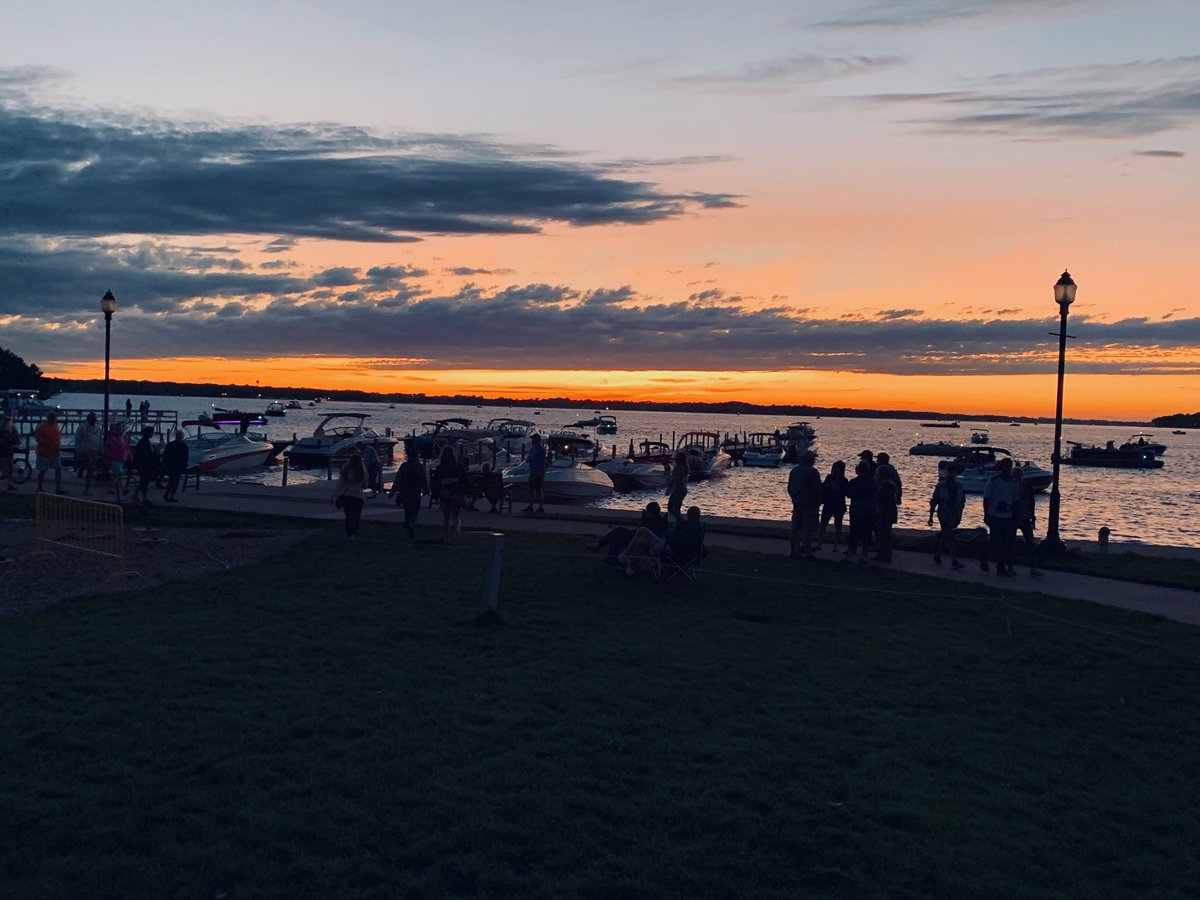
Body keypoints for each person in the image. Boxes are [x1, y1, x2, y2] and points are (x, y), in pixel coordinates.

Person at [619, 505, 705, 578]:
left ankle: (624, 556)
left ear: (689, 516)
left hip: (668, 548)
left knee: (642, 530)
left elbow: (677, 540)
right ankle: (629, 570)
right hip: (675, 549)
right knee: (642, 539)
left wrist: (671, 535)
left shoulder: (689, 528)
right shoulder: (698, 529)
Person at [593, 501, 668, 565]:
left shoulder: (654, 522)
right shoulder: (657, 520)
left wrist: (644, 519)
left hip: (639, 541)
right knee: (618, 534)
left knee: (619, 531)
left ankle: (600, 546)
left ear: (650, 513)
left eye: (647, 511)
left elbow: (644, 531)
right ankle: (609, 557)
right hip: (637, 537)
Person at [982, 457, 1020, 576]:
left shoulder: (1014, 483)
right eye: (1005, 466)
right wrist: (986, 514)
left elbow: (1016, 501)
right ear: (1001, 467)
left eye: (1009, 467)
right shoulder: (993, 482)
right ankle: (985, 558)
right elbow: (986, 499)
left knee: (1007, 543)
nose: (1008, 469)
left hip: (1008, 517)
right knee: (995, 541)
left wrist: (1016, 516)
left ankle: (1001, 566)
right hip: (995, 516)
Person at [928, 465, 967, 568]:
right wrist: (931, 517)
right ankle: (954, 560)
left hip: (955, 514)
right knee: (949, 536)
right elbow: (934, 502)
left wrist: (960, 515)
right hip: (944, 514)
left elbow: (962, 502)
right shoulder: (940, 486)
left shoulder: (959, 486)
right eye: (949, 472)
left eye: (953, 472)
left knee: (946, 535)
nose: (951, 474)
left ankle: (938, 554)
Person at [786, 449, 822, 557]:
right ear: (810, 460)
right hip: (809, 504)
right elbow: (817, 489)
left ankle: (793, 550)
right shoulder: (813, 472)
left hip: (797, 503)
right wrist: (818, 502)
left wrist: (793, 498)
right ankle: (807, 552)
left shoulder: (794, 471)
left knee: (795, 528)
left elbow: (789, 487)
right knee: (807, 529)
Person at [843, 460, 878, 564]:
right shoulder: (872, 482)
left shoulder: (854, 482)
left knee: (854, 533)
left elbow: (848, 494)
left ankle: (850, 556)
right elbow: (876, 494)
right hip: (869, 509)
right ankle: (864, 556)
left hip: (857, 509)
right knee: (867, 533)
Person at [431, 445, 469, 541]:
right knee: (455, 516)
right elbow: (465, 480)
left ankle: (446, 536)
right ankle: (457, 533)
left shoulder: (440, 468)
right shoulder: (459, 466)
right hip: (457, 493)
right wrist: (466, 492)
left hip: (445, 493)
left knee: (446, 517)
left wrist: (435, 495)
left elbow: (436, 482)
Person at [391, 445, 428, 538]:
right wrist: (426, 489)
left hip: (404, 491)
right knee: (414, 511)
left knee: (407, 511)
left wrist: (393, 491)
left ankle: (409, 524)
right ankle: (411, 524)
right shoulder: (420, 467)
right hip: (415, 492)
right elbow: (424, 479)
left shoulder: (404, 466)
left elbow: (398, 479)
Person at [1012, 467, 1042, 577]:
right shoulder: (1012, 486)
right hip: (1015, 517)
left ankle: (1033, 567)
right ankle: (1011, 566)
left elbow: (1031, 502)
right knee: (1014, 543)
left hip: (1024, 517)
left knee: (1030, 543)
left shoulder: (1026, 487)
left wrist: (1032, 516)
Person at [332, 450, 367, 539]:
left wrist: (335, 495)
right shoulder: (363, 473)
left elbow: (339, 485)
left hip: (346, 496)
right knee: (356, 516)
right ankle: (354, 534)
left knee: (348, 516)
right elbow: (365, 485)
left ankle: (349, 534)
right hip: (358, 497)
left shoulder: (345, 471)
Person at [816, 460, 848, 552]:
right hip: (828, 504)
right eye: (834, 467)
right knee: (822, 525)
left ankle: (835, 546)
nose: (834, 469)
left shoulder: (844, 480)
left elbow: (844, 492)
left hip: (839, 505)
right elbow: (823, 488)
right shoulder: (829, 478)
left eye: (836, 467)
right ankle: (819, 544)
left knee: (838, 525)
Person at [34, 411, 67, 495]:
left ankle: (58, 487)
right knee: (42, 471)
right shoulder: (42, 427)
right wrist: (47, 443)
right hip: (44, 453)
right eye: (52, 417)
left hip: (55, 452)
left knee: (58, 469)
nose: (53, 419)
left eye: (54, 417)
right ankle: (39, 488)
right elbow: (38, 438)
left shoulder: (55, 425)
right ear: (48, 418)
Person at [74, 412, 103, 495]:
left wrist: (101, 449)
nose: (95, 420)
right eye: (93, 418)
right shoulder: (82, 428)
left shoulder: (98, 428)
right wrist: (78, 450)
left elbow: (100, 439)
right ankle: (86, 489)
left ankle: (80, 473)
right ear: (88, 419)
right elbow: (77, 439)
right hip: (86, 450)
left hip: (95, 450)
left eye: (96, 418)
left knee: (89, 466)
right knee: (90, 469)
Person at [874, 470, 899, 563]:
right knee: (883, 534)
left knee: (885, 534)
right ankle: (882, 554)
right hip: (888, 512)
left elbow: (885, 500)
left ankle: (885, 555)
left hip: (886, 513)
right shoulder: (889, 484)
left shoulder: (887, 485)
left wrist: (880, 511)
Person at [131, 425, 159, 505]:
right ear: (149, 433)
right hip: (143, 465)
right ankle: (143, 497)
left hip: (143, 464)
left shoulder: (144, 441)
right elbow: (145, 455)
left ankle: (137, 495)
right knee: (144, 481)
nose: (153, 434)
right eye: (152, 433)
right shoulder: (144, 442)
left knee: (143, 481)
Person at [104, 423, 130, 499]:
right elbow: (107, 448)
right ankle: (123, 489)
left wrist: (129, 455)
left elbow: (126, 447)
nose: (119, 430)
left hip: (122, 458)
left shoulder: (123, 437)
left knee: (115, 474)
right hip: (114, 458)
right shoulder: (111, 438)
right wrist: (106, 457)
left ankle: (109, 488)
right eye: (118, 429)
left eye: (120, 429)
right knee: (120, 473)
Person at [161, 430, 189, 502]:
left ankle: (170, 495)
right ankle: (168, 495)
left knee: (174, 481)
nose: (179, 437)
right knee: (173, 480)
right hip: (171, 466)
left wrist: (184, 465)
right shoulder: (173, 445)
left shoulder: (182, 446)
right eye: (178, 436)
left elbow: (185, 457)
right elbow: (165, 456)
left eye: (180, 436)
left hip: (178, 466)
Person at [523, 433, 546, 514]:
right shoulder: (532, 449)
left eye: (533, 439)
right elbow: (530, 457)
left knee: (539, 490)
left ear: (537, 440)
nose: (532, 441)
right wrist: (528, 459)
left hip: (539, 472)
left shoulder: (541, 450)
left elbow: (543, 462)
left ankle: (541, 507)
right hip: (532, 471)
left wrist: (541, 473)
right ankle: (530, 506)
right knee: (531, 489)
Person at [666, 450, 689, 524]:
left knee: (670, 508)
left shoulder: (678, 468)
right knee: (677, 508)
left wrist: (668, 489)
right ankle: (679, 523)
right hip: (684, 489)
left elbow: (675, 479)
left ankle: (681, 521)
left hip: (678, 489)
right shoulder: (686, 468)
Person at [1, 415, 18, 490]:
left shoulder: (11, 427)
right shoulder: (1, 428)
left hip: (8, 448)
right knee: (5, 465)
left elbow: (16, 434)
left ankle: (9, 483)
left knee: (9, 465)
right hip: (2, 449)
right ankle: (9, 482)